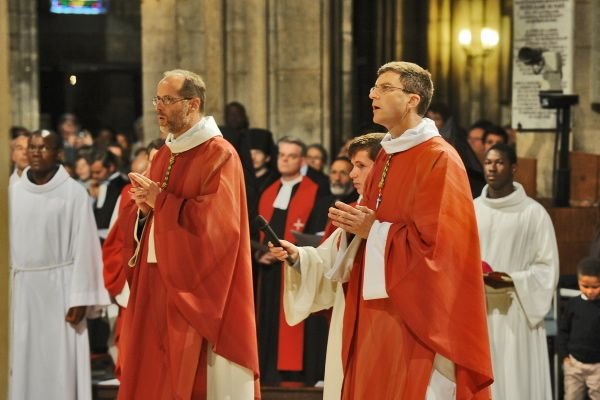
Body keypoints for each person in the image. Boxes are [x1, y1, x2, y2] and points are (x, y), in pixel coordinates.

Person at [327, 61, 493, 399]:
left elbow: (442, 247)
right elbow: (372, 226)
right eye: (374, 87)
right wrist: (355, 228)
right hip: (376, 309)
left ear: (413, 99)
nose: (373, 94)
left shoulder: (439, 158)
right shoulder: (387, 156)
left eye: (386, 88)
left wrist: (372, 230)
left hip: (417, 316)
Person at [117, 69, 259, 399]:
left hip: (193, 284)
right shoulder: (166, 152)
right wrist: (144, 212)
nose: (158, 107)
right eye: (157, 99)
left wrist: (161, 202)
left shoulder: (219, 153)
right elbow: (153, 218)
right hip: (156, 279)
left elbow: (220, 227)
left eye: (167, 99)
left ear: (193, 103)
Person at [268, 132, 384, 399]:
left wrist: (374, 232)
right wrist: (296, 255)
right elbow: (328, 261)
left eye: (361, 166)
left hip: (380, 317)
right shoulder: (354, 208)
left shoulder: (396, 208)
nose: (353, 174)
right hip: (349, 313)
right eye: (352, 165)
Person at [9, 129, 110, 400]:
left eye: (43, 148)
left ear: (58, 154)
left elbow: (87, 247)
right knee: (22, 360)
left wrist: (81, 298)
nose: (36, 153)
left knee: (58, 365)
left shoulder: (74, 194)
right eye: (32, 147)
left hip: (62, 291)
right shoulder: (13, 193)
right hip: (22, 291)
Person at [474, 143, 559, 400]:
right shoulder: (472, 209)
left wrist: (513, 279)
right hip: (479, 309)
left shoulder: (534, 214)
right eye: (488, 162)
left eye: (499, 162)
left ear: (513, 168)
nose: (492, 167)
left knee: (517, 377)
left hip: (518, 311)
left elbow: (547, 267)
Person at [255, 136, 329, 386]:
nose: (285, 160)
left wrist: (291, 252)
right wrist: (261, 254)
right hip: (270, 275)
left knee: (294, 322)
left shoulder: (316, 192)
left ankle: (295, 375)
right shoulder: (268, 191)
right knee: (270, 322)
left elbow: (318, 235)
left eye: (292, 156)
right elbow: (259, 235)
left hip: (296, 270)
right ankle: (269, 374)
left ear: (303, 160)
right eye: (282, 155)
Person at [558, 256, 600, 400]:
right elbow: (563, 330)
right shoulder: (573, 304)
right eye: (585, 286)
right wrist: (564, 356)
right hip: (574, 363)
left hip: (597, 367)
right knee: (571, 396)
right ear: (578, 282)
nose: (590, 291)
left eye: (595, 287)